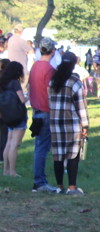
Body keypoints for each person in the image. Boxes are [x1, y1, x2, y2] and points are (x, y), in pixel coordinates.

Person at [48, 52, 88, 195]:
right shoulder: (75, 82)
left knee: (58, 155)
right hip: (72, 123)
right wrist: (85, 125)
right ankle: (72, 187)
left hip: (55, 122)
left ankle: (59, 186)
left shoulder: (53, 81)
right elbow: (81, 106)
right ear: (73, 64)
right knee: (73, 154)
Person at [28, 37, 59, 192]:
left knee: (39, 147)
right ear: (52, 51)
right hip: (46, 111)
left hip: (36, 110)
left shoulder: (35, 66)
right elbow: (50, 91)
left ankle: (39, 181)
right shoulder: (49, 69)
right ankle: (39, 182)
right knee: (42, 148)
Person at [0, 61, 27, 176]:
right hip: (18, 115)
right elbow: (22, 99)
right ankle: (12, 171)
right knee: (15, 144)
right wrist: (28, 96)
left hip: (7, 115)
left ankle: (5, 170)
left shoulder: (3, 83)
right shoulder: (15, 83)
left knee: (8, 143)